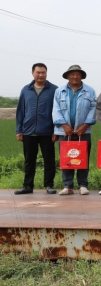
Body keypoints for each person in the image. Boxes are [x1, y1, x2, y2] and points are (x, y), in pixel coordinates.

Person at [52, 64, 96, 195]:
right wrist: (64, 125)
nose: (75, 76)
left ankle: (83, 185)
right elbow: (56, 110)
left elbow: (93, 109)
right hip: (64, 131)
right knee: (67, 158)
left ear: (81, 76)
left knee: (83, 157)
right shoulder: (59, 91)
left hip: (83, 131)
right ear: (68, 76)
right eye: (72, 74)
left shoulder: (90, 91)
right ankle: (68, 186)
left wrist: (85, 125)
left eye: (78, 74)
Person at [14, 63, 58, 195]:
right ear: (32, 73)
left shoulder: (54, 90)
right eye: (38, 72)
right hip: (28, 131)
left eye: (43, 72)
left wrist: (56, 130)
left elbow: (58, 111)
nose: (40, 75)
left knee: (49, 160)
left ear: (46, 73)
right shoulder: (26, 90)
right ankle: (27, 186)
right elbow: (20, 111)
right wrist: (19, 130)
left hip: (47, 131)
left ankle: (49, 185)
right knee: (29, 161)